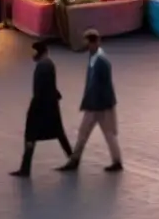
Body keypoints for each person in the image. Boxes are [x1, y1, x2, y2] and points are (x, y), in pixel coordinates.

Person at [57, 30, 122, 173]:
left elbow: (101, 86)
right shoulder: (95, 58)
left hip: (98, 106)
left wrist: (90, 104)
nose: (87, 46)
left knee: (94, 133)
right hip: (98, 105)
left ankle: (75, 161)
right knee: (102, 133)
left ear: (94, 43)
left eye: (88, 43)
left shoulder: (101, 61)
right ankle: (116, 161)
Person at [11, 41, 72, 177]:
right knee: (58, 132)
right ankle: (72, 158)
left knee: (30, 135)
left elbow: (40, 90)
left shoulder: (42, 66)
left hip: (41, 107)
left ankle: (25, 168)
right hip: (51, 107)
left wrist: (33, 109)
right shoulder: (48, 64)